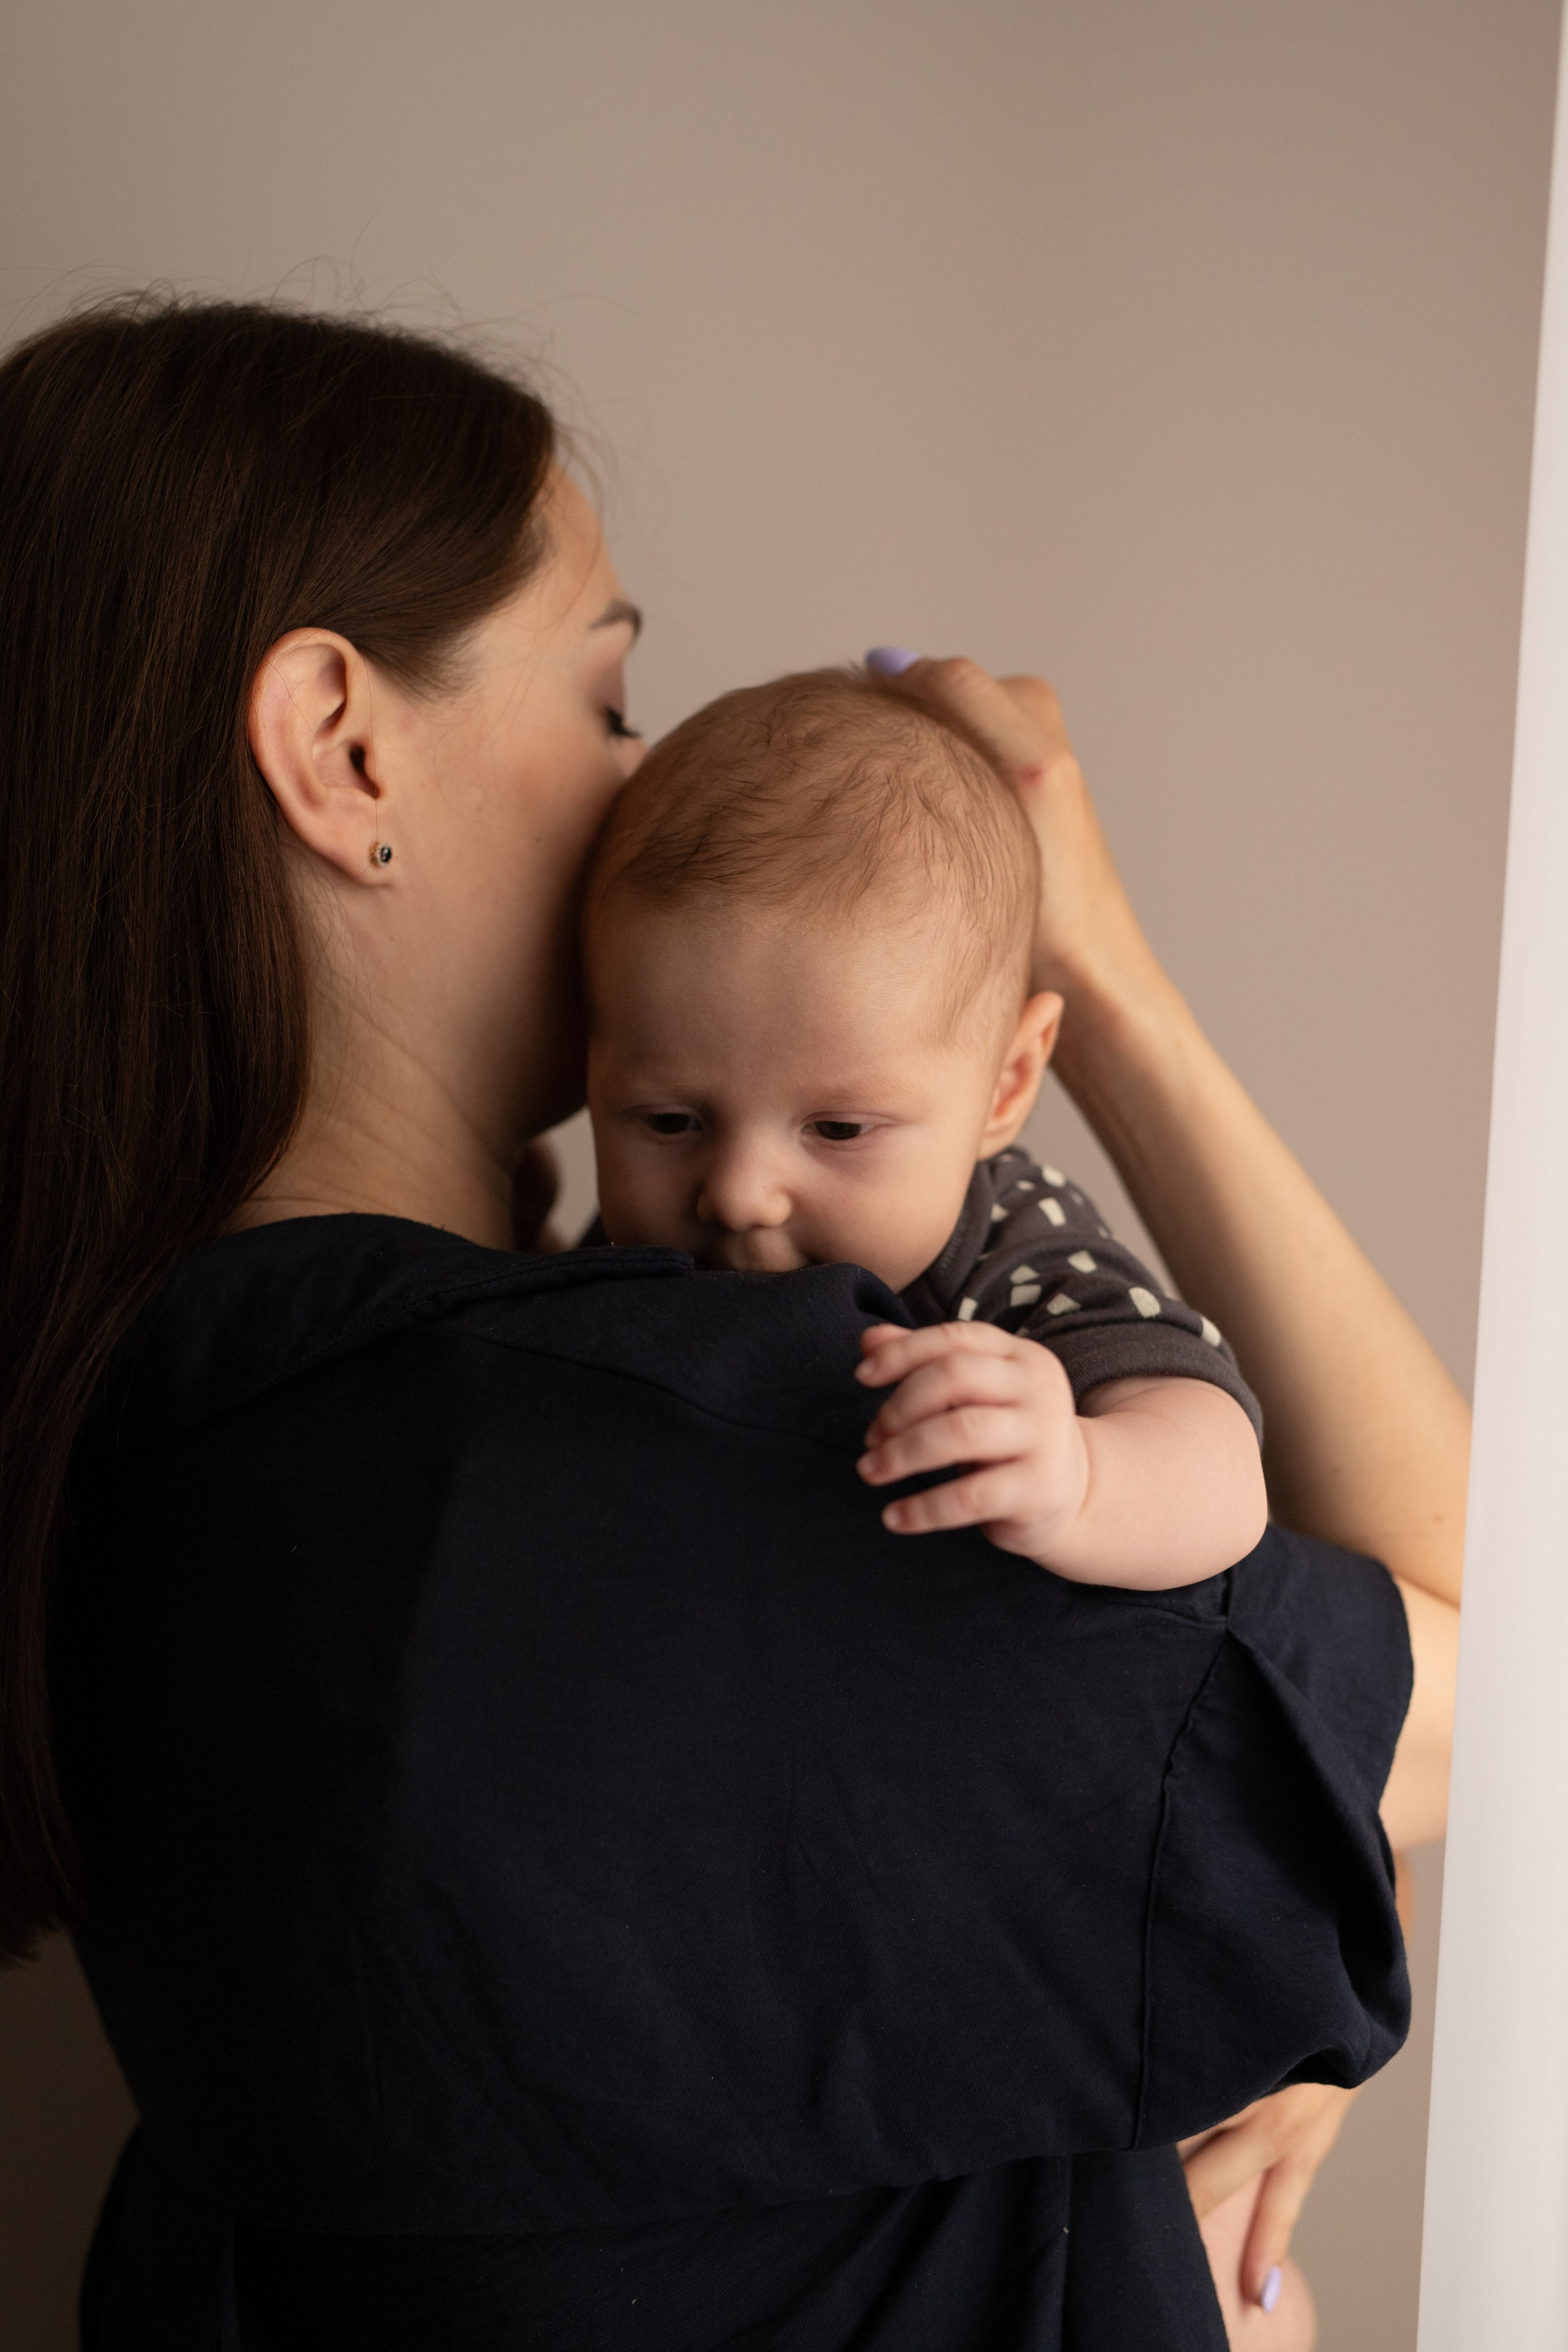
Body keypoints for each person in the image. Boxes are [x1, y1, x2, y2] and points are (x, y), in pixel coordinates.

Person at [0, 298, 1463, 2351]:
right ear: (344, 749)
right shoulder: (729, 1452)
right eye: (611, 700)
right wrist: (1093, 974)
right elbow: (1474, 1667)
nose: (651, 782)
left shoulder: (156, 1436)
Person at [582, 662, 1268, 1592]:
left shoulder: (1014, 1256)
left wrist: (1081, 1474)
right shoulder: (630, 1259)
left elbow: (1224, 1475)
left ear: (1005, 1085)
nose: (738, 1193)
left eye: (837, 1130)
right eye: (668, 1120)